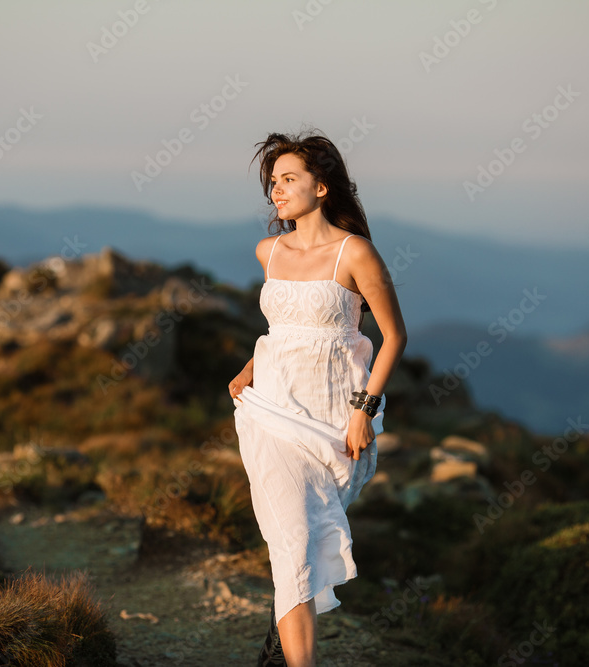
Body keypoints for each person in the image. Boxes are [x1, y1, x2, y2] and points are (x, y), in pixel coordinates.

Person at [229, 128, 407, 667]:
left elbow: (394, 337)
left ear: (322, 187)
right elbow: (284, 330)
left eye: (288, 179)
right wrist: (248, 366)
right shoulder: (269, 250)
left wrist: (363, 411)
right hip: (273, 416)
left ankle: (276, 647)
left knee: (301, 542)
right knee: (294, 542)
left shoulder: (356, 254)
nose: (276, 191)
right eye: (273, 182)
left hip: (334, 421)